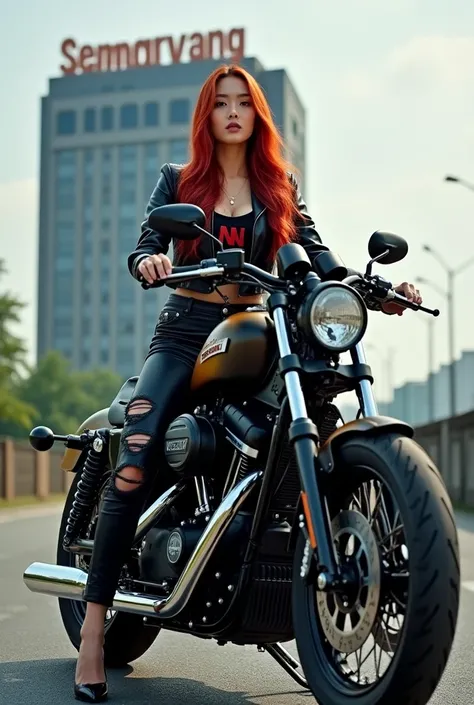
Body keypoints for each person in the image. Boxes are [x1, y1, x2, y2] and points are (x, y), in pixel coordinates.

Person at [73, 64, 422, 702]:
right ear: (206, 116)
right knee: (139, 450)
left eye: (244, 103)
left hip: (258, 329)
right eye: (220, 104)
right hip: (185, 332)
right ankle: (94, 631)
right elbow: (148, 240)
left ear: (258, 114)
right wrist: (150, 259)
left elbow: (319, 259)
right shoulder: (179, 181)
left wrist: (376, 289)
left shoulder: (277, 185)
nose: (233, 112)